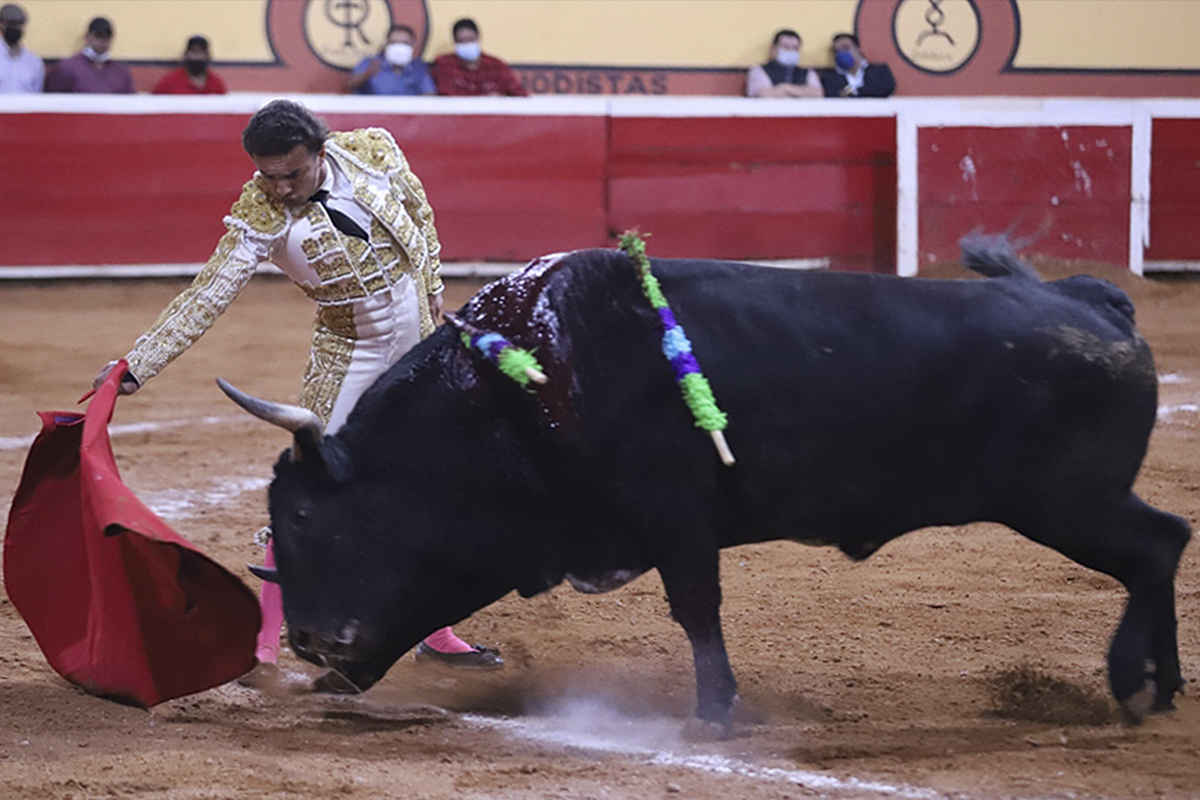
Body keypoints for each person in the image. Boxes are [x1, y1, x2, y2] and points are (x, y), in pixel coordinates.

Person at [91, 100, 504, 688]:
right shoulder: (259, 214)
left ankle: (433, 634)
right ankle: (261, 652)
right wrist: (140, 362)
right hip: (350, 355)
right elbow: (208, 293)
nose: (281, 188)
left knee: (434, 485)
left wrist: (433, 282)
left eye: (293, 174)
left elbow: (418, 209)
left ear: (321, 150)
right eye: (268, 175)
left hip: (419, 343)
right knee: (311, 495)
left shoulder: (373, 152)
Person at [432, 17, 527, 96]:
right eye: (461, 41)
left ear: (478, 38)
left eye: (470, 40)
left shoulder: (496, 66)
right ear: (455, 43)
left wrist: (500, 101)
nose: (467, 45)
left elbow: (520, 94)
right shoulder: (444, 65)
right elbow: (444, 97)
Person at [45, 16, 133, 93]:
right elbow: (53, 101)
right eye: (98, 36)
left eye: (107, 38)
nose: (103, 42)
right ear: (88, 36)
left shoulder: (120, 72)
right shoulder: (67, 68)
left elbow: (129, 102)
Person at [347, 23, 434, 95]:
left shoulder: (418, 67)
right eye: (394, 43)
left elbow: (429, 94)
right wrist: (367, 74)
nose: (399, 47)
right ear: (386, 44)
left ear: (413, 45)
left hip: (407, 114)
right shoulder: (371, 62)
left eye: (404, 43)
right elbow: (349, 85)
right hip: (376, 112)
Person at [745, 28, 822, 98]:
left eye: (795, 48)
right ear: (773, 49)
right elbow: (765, 94)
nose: (790, 51)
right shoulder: (758, 70)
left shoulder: (807, 72)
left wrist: (785, 88)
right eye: (786, 47)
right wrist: (801, 92)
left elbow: (817, 94)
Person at [820, 32, 896, 98]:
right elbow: (833, 95)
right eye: (837, 51)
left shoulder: (879, 71)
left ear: (857, 49)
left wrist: (854, 92)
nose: (842, 54)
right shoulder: (830, 78)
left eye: (846, 48)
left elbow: (884, 89)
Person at [153, 35, 227, 95]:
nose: (197, 57)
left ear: (209, 56)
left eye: (201, 53)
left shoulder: (216, 83)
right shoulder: (169, 82)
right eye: (194, 52)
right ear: (185, 55)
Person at [0, 3, 42, 92]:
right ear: (1, 24)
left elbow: (37, 93)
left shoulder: (33, 61)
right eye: (12, 24)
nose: (16, 28)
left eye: (20, 25)